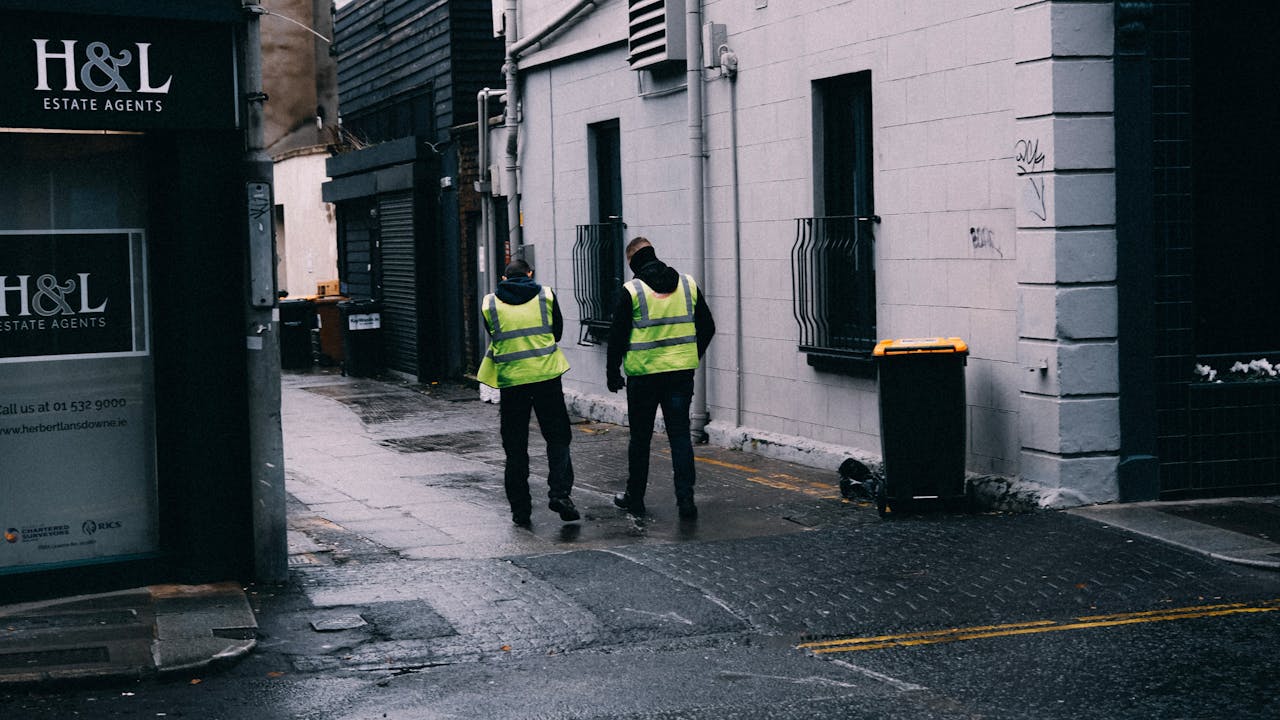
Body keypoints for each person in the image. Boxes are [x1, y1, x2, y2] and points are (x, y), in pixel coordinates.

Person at [605, 237, 715, 519]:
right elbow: (708, 326)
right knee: (680, 437)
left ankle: (635, 498)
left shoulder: (633, 290)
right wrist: (691, 355)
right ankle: (686, 500)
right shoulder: (687, 285)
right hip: (680, 375)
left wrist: (612, 371)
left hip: (643, 378)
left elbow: (617, 336)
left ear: (632, 262)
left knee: (640, 440)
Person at [476, 259, 580, 526]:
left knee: (515, 447)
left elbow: (494, 335)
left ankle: (520, 511)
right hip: (546, 378)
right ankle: (560, 494)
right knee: (558, 438)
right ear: (530, 274)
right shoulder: (545, 295)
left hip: (512, 382)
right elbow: (556, 333)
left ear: (503, 277)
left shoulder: (490, 303)